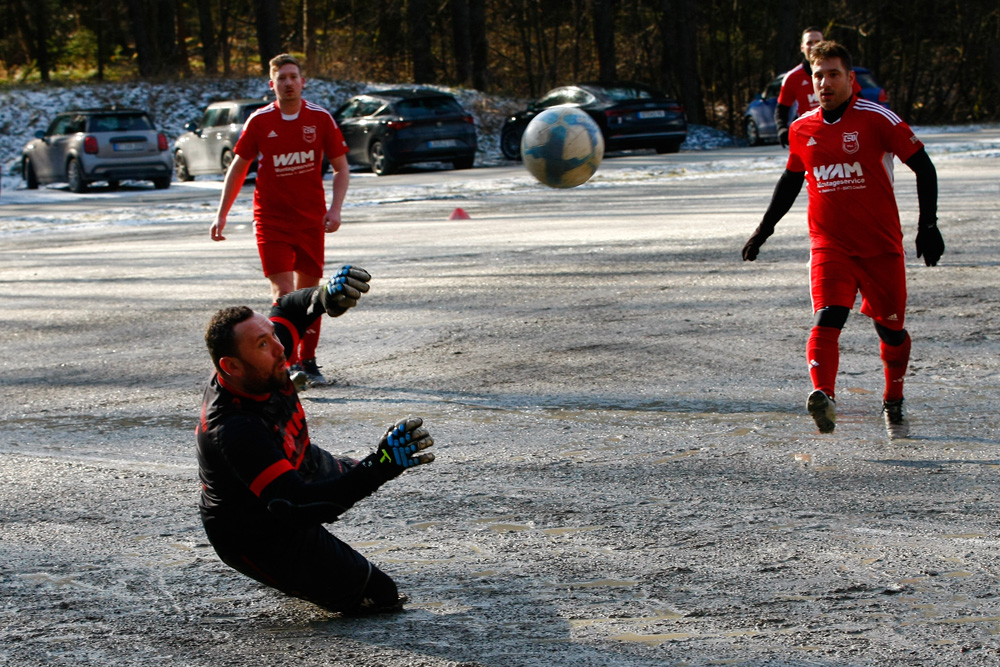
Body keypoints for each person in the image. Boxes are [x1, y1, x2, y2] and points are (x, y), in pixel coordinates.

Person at [197, 265, 437, 614]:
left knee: (345, 475)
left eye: (273, 336)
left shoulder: (262, 359)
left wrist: (323, 296)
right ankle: (296, 577)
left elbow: (288, 309)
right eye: (263, 344)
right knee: (380, 596)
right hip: (259, 531)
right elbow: (301, 508)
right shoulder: (235, 429)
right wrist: (382, 465)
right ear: (231, 366)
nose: (281, 350)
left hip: (303, 463)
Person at [742, 41, 944, 439]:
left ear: (850, 79)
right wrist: (763, 230)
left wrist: (928, 226)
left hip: (880, 247)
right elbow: (791, 180)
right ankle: (824, 395)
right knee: (827, 318)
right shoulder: (803, 127)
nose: (825, 82)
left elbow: (924, 167)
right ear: (811, 80)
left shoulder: (877, 118)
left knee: (891, 332)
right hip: (829, 245)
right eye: (819, 75)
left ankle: (893, 395)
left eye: (834, 74)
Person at [210, 53, 351, 388]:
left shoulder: (320, 119)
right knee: (283, 292)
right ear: (271, 84)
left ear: (302, 82)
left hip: (310, 221)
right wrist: (222, 213)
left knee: (311, 293)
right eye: (281, 78)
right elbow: (238, 168)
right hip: (271, 220)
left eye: (293, 76)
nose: (287, 83)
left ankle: (309, 361)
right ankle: (286, 363)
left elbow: (341, 167)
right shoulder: (259, 122)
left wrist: (335, 209)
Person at [774, 27, 861, 148]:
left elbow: (859, 100)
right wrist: (782, 128)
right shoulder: (792, 77)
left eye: (817, 42)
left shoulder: (840, 72)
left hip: (842, 133)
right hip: (811, 136)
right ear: (802, 47)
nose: (814, 46)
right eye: (809, 43)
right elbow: (782, 109)